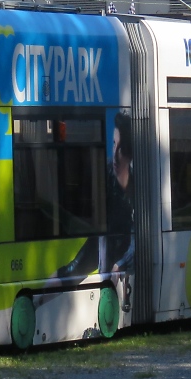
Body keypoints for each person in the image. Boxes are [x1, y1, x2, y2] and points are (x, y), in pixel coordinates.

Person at [55, 111, 135, 279]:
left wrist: (120, 264)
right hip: (105, 245)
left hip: (126, 255)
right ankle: (34, 301)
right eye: (114, 144)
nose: (115, 153)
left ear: (129, 154)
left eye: (120, 148)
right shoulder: (105, 172)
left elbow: (141, 236)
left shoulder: (138, 186)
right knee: (73, 269)